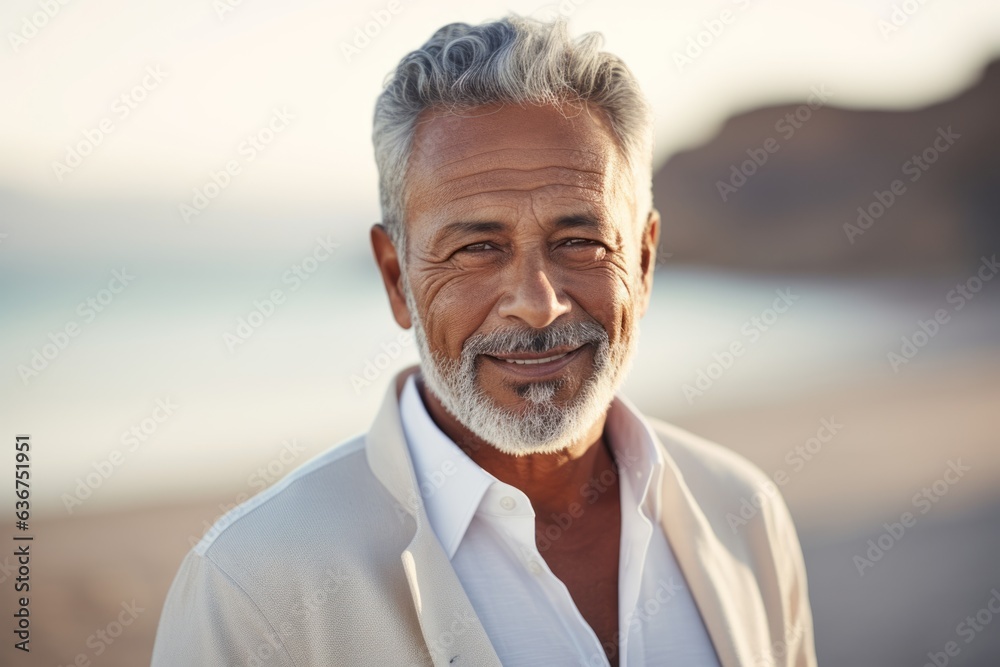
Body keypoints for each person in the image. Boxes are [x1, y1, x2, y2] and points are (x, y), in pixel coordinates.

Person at [152, 15, 816, 667]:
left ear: (642, 264)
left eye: (579, 241)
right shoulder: (252, 586)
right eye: (477, 247)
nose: (537, 302)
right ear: (395, 279)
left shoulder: (743, 511)